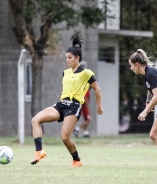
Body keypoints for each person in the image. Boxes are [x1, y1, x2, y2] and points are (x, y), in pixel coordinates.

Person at [30, 36, 103, 167]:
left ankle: (76, 160)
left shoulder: (86, 73)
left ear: (77, 58)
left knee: (64, 137)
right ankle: (39, 151)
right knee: (35, 120)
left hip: (74, 106)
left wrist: (99, 106)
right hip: (61, 104)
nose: (67, 60)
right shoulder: (65, 73)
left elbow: (97, 88)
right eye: (66, 57)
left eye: (70, 57)